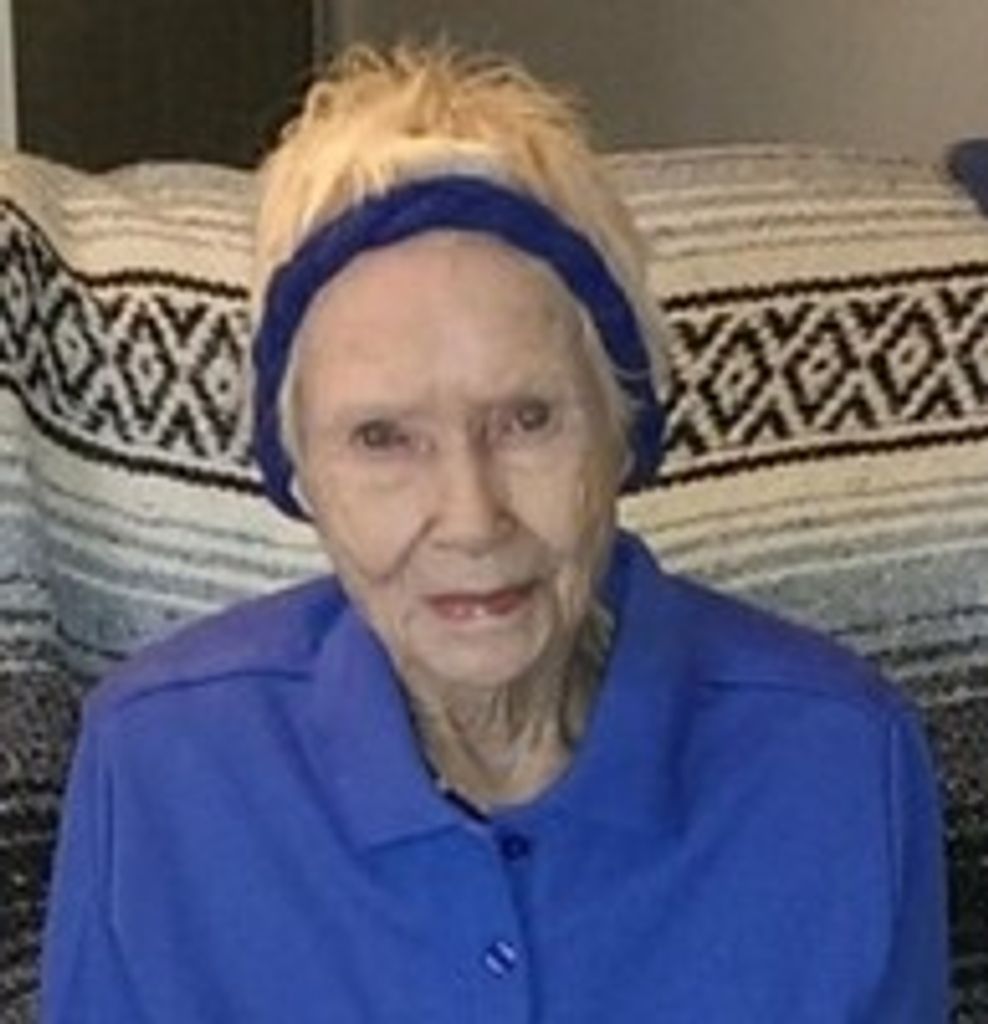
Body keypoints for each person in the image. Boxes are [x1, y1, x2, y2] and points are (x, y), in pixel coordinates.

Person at [41, 44, 948, 1023]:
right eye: (382, 438)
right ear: (301, 471)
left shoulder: (843, 760)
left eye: (526, 420)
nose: (472, 520)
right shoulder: (156, 765)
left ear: (622, 428)